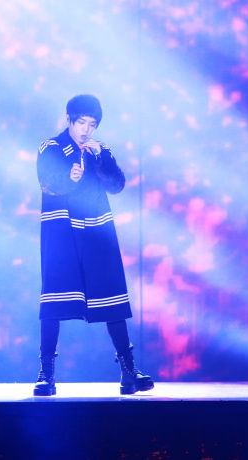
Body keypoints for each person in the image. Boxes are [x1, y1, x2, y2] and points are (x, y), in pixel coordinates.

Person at [34, 94, 154, 396]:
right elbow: (47, 182)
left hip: (96, 228)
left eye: (92, 124)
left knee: (111, 295)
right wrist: (69, 178)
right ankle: (46, 374)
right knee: (55, 296)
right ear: (69, 120)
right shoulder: (51, 147)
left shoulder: (100, 150)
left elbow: (117, 185)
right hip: (62, 229)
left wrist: (101, 160)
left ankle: (129, 371)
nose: (86, 130)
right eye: (81, 123)